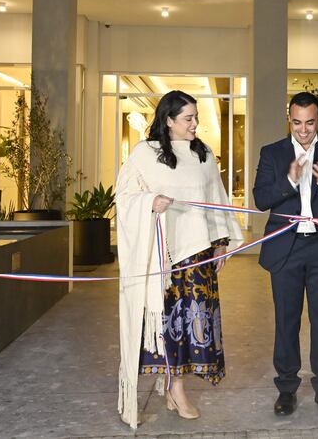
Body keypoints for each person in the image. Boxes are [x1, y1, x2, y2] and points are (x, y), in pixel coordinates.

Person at [115, 90, 242, 429]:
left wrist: (221, 242)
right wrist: (150, 201)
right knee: (169, 325)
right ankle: (176, 389)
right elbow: (124, 196)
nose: (195, 124)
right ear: (168, 120)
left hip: (199, 255)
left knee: (193, 324)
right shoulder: (146, 154)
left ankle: (176, 387)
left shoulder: (204, 154)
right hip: (164, 258)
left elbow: (217, 199)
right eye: (188, 118)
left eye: (196, 117)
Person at [253, 91, 318, 417]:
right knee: (286, 321)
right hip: (286, 249)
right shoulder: (272, 153)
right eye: (297, 122)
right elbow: (260, 198)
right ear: (289, 119)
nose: (303, 129)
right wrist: (289, 180)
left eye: (309, 122)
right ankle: (286, 389)